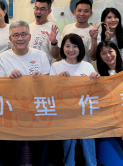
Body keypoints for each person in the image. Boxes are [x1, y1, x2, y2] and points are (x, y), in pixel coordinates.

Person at [0, 20, 50, 166]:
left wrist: (42, 79)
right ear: (10, 39)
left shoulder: (40, 55)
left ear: (29, 36)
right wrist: (9, 79)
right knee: (13, 148)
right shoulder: (3, 57)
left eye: (23, 34)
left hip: (37, 107)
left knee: (41, 145)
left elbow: (49, 84)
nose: (20, 38)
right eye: (16, 35)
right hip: (14, 108)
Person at [49, 33, 99, 166]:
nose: (71, 49)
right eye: (67, 46)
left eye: (75, 46)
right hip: (65, 113)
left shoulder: (87, 66)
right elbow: (50, 92)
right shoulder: (56, 66)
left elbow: (94, 92)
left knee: (87, 137)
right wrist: (59, 81)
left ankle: (91, 164)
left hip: (84, 113)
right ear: (62, 48)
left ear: (80, 48)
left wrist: (95, 79)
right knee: (69, 140)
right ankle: (69, 163)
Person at [29, 0, 60, 64]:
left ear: (49, 11)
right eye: (36, 8)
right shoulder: (29, 27)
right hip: (28, 69)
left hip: (44, 71)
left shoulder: (53, 29)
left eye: (42, 9)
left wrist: (53, 42)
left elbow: (56, 56)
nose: (38, 12)